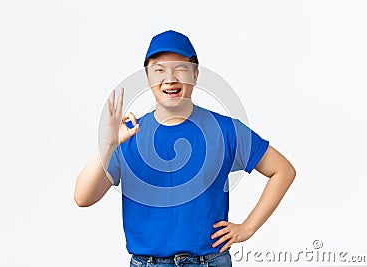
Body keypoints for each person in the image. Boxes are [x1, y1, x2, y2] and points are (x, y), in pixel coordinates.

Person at [74, 30, 296, 267]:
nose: (170, 78)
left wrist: (247, 228)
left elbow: (283, 170)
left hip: (209, 261)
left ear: (195, 75)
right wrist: (107, 144)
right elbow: (83, 197)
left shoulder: (225, 130)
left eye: (180, 68)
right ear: (147, 77)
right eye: (159, 70)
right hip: (147, 262)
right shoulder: (127, 135)